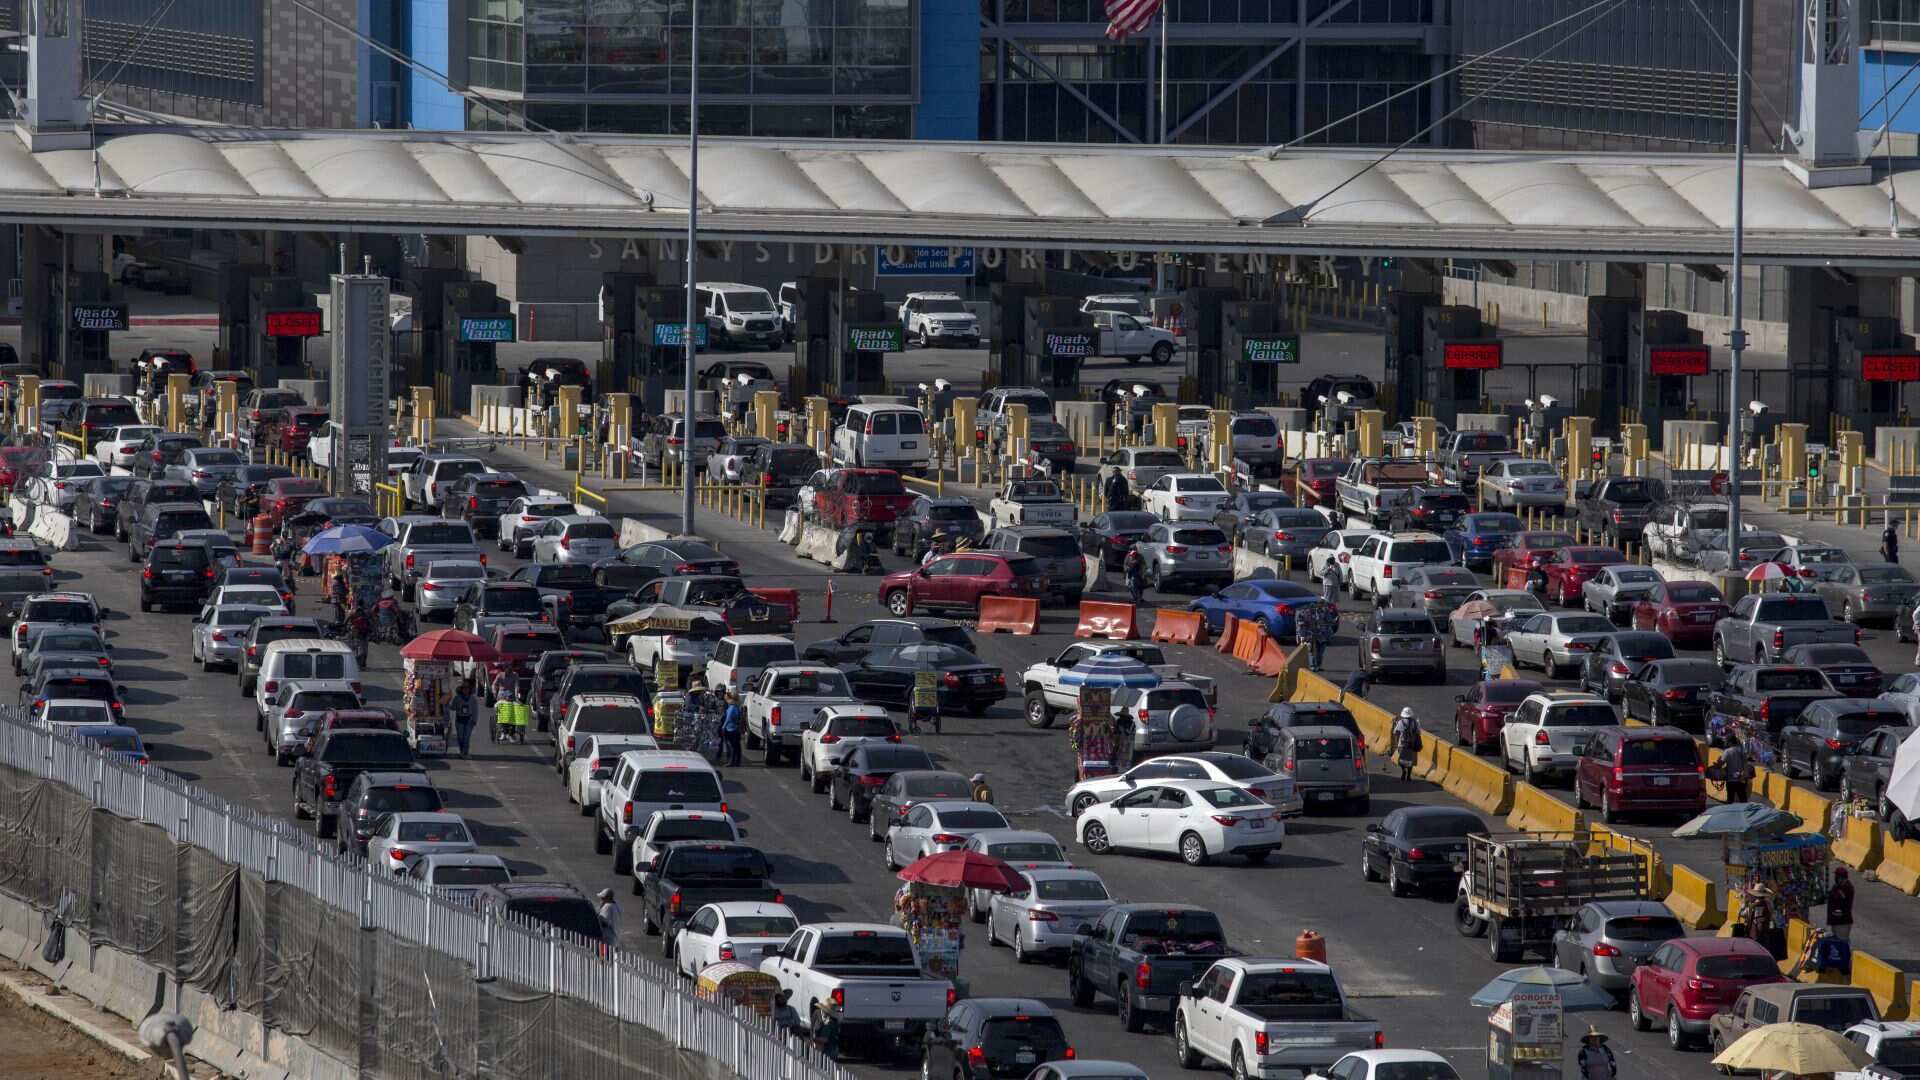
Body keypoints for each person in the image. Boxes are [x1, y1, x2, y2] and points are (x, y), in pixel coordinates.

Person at [1390, 706, 1422, 782]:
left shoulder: (1401, 722)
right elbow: (1419, 732)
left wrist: (1396, 743)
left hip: (1402, 744)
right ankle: (1409, 776)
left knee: (1401, 760)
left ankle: (1403, 771)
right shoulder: (1415, 722)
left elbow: (1395, 733)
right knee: (1411, 760)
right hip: (1412, 744)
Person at [449, 682, 478, 758]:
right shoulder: (457, 698)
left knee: (466, 738)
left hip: (469, 720)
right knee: (460, 738)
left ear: (469, 690)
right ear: (462, 690)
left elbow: (475, 710)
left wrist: (475, 719)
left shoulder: (472, 699)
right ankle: (462, 751)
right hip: (459, 720)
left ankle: (466, 753)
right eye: (464, 689)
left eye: (467, 689)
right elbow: (452, 707)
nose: (466, 690)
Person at [1721, 738, 1754, 804]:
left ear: (1730, 742)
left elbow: (1722, 763)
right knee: (1743, 799)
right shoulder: (1742, 751)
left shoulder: (1727, 751)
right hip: (1741, 779)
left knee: (1730, 799)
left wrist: (1718, 764)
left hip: (1731, 779)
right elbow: (1745, 763)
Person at [718, 690, 745, 768]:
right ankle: (737, 761)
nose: (726, 701)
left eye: (727, 700)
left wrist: (723, 727)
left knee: (731, 746)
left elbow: (728, 718)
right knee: (737, 746)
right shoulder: (737, 707)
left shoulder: (732, 708)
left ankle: (731, 761)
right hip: (736, 729)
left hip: (730, 729)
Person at [1826, 867, 1855, 940]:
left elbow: (1840, 897)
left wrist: (1833, 893)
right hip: (1836, 920)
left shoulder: (1847, 887)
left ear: (1840, 877)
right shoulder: (1838, 886)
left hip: (1842, 921)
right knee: (1837, 941)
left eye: (1836, 876)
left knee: (1842, 941)